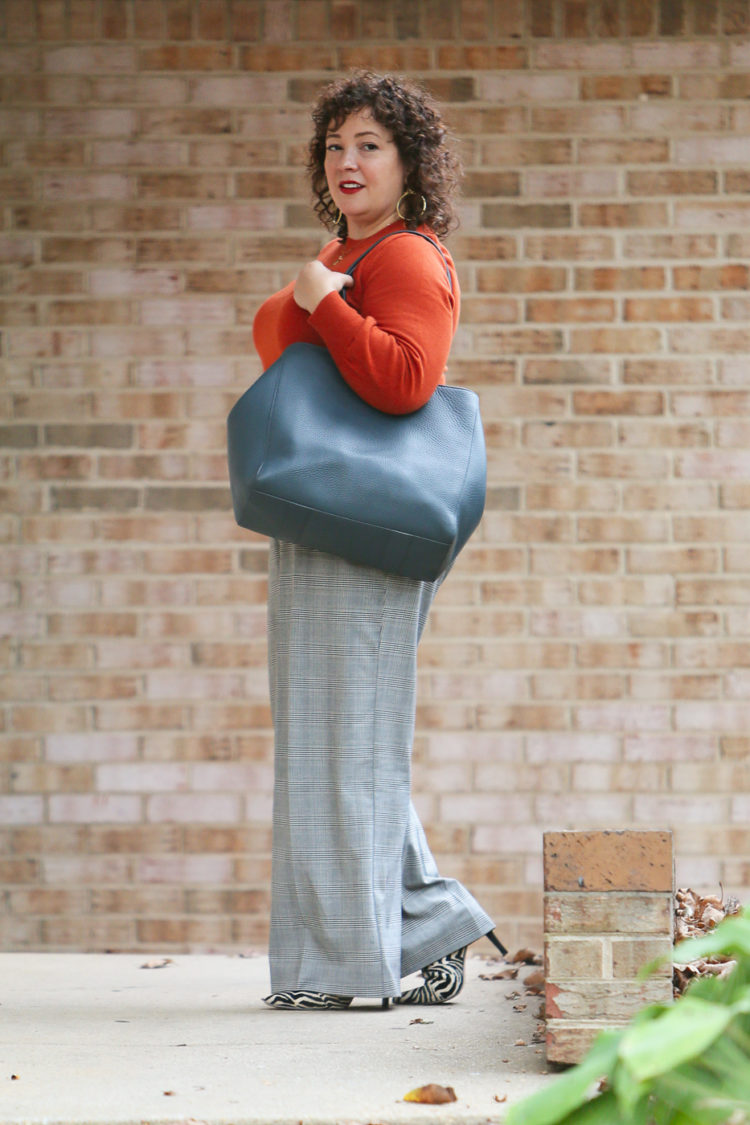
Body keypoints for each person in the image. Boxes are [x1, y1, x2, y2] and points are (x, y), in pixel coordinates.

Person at [251, 71, 504, 1011]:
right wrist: (322, 289)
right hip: (324, 516)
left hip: (369, 527)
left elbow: (405, 380)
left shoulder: (404, 257)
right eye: (335, 146)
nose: (347, 162)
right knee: (329, 737)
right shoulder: (343, 252)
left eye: (370, 145)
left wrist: (323, 299)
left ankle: (343, 965)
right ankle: (430, 928)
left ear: (409, 162)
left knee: (346, 737)